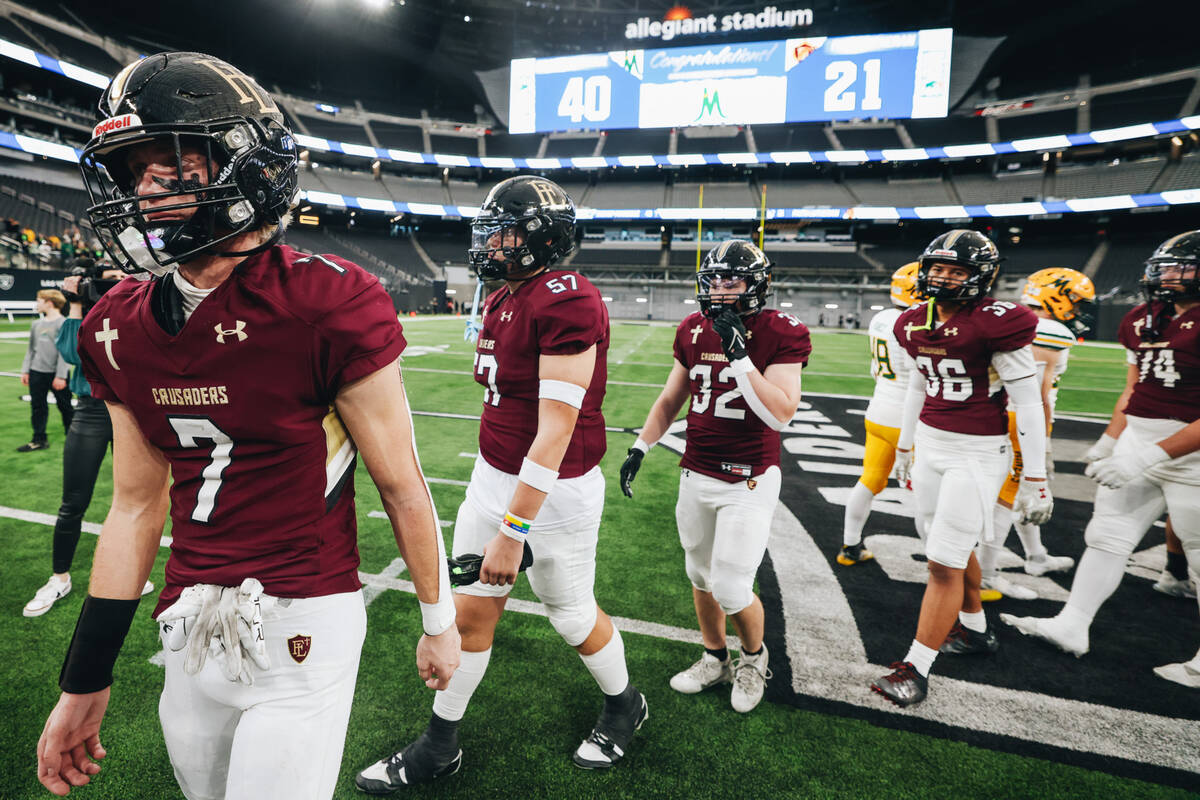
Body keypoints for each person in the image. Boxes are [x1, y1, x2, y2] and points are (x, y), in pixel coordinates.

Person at [36, 52, 460, 800]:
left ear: (244, 165)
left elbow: (400, 480)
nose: (141, 192)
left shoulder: (327, 300)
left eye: (165, 168)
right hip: (190, 622)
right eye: (131, 172)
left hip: (305, 616)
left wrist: (438, 616)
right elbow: (136, 506)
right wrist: (84, 679)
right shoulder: (115, 324)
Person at [356, 176, 645, 793]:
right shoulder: (505, 294)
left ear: (544, 241)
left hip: (553, 490)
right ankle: (439, 747)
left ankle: (625, 704)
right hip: (494, 476)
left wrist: (514, 530)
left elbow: (556, 430)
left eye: (508, 232)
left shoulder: (566, 298)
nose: (492, 242)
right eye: (491, 230)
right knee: (469, 617)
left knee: (569, 614)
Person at [1002, 231, 1200, 689]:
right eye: (1164, 266)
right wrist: (1112, 441)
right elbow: (1134, 390)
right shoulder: (1139, 319)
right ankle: (1073, 623)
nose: (1166, 275)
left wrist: (1147, 455)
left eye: (1180, 267)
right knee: (1106, 536)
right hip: (1142, 437)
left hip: (1191, 455)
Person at [620, 240, 810, 713]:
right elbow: (671, 399)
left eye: (733, 282)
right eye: (715, 282)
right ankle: (714, 656)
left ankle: (752, 657)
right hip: (696, 469)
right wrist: (641, 446)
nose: (722, 291)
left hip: (748, 477)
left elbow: (781, 414)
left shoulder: (782, 332)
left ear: (756, 286)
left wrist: (741, 356)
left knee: (730, 585)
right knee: (699, 574)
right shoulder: (691, 328)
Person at [871, 230, 1053, 708]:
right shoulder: (911, 321)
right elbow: (915, 386)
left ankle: (917, 667)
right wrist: (907, 447)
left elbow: (1028, 403)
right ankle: (974, 631)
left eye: (956, 271)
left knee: (943, 562)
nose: (943, 277)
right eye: (938, 269)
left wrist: (1036, 476)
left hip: (976, 451)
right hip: (930, 445)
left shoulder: (997, 322)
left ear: (981, 277)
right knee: (945, 547)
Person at [22, 261, 155, 618]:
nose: (109, 288)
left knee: (135, 501)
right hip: (92, 410)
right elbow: (70, 354)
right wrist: (76, 301)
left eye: (117, 281)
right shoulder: (88, 316)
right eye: (103, 282)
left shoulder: (139, 308)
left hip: (134, 412)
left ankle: (131, 572)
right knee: (72, 502)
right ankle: (60, 577)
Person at [979, 267, 1094, 600]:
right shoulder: (1049, 329)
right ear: (1055, 296)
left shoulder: (1020, 319)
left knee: (1017, 495)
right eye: (1074, 300)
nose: (1077, 308)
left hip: (1009, 416)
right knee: (1008, 496)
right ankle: (985, 575)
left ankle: (1036, 556)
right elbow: (1036, 395)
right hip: (1021, 419)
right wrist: (1041, 445)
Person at [839, 262, 919, 566]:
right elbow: (919, 384)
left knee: (870, 479)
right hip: (908, 420)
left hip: (878, 410)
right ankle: (945, 569)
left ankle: (850, 546)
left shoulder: (882, 317)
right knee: (927, 495)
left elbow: (878, 370)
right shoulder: (916, 323)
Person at [19, 288, 73, 452]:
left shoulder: (64, 323)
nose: (37, 303)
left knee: (65, 407)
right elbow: (31, 350)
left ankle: (73, 439)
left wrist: (61, 376)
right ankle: (39, 439)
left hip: (57, 375)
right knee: (37, 407)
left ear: (49, 302)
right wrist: (26, 370)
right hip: (36, 372)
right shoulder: (36, 324)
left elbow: (65, 353)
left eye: (39, 300)